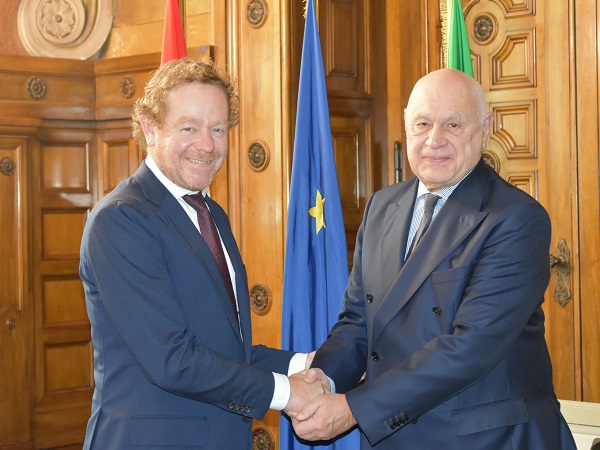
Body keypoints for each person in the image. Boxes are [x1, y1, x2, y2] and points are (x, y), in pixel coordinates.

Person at [291, 68, 577, 449]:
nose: (434, 140)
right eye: (422, 124)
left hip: (485, 440)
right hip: (394, 437)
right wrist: (322, 378)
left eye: (453, 125)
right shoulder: (381, 207)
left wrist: (353, 409)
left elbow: (469, 347)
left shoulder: (516, 219)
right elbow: (359, 321)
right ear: (406, 126)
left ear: (485, 129)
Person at [79, 58, 325, 449]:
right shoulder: (121, 219)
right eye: (189, 127)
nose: (207, 145)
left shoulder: (210, 213)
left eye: (218, 129)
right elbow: (172, 359)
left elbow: (223, 348)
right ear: (150, 128)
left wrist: (307, 365)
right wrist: (287, 393)